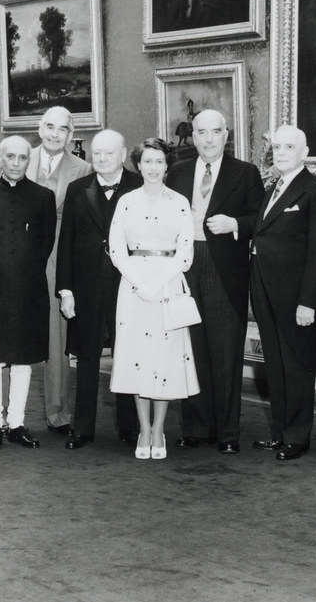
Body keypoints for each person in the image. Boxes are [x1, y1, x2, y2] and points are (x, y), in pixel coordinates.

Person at [166, 109, 263, 454]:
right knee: (191, 350)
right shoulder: (178, 172)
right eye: (202, 132)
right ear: (193, 136)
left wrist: (235, 224)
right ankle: (196, 428)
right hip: (185, 267)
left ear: (226, 135)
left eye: (215, 132)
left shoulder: (245, 172)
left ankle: (227, 432)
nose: (209, 139)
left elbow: (260, 218)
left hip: (224, 269)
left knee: (225, 352)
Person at [109, 138, 199, 460]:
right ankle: (143, 429)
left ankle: (159, 429)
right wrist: (140, 283)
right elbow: (116, 249)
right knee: (138, 358)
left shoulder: (179, 202)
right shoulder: (126, 201)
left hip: (168, 285)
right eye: (147, 161)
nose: (153, 167)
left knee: (163, 360)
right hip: (133, 287)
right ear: (138, 164)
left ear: (167, 165)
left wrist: (158, 283)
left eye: (159, 161)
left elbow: (185, 252)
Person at [249, 125, 316, 461]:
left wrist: (309, 301)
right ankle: (280, 433)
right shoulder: (273, 187)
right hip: (266, 292)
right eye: (278, 147)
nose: (281, 152)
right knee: (276, 365)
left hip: (297, 297)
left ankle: (297, 437)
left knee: (296, 365)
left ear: (305, 152)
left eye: (289, 147)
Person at [56, 129, 142, 449]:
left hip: (128, 286)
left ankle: (130, 427)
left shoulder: (139, 186)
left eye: (109, 153)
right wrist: (66, 291)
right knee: (87, 357)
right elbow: (66, 242)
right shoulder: (78, 189)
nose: (102, 158)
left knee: (127, 354)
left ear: (123, 155)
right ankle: (82, 428)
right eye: (97, 153)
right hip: (86, 286)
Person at [0, 135, 57, 452]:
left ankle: (17, 423)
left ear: (28, 161)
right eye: (11, 157)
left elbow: (45, 243)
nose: (17, 163)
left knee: (24, 357)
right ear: (1, 158)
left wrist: (23, 269)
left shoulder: (43, 197)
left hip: (28, 287)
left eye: (23, 158)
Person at [17, 106, 92, 436]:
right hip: (18, 255)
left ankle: (57, 412)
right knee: (11, 332)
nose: (55, 134)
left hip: (58, 258)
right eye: (49, 126)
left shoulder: (83, 169)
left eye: (63, 129)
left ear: (71, 135)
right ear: (39, 128)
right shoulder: (17, 157)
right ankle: (6, 417)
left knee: (56, 336)